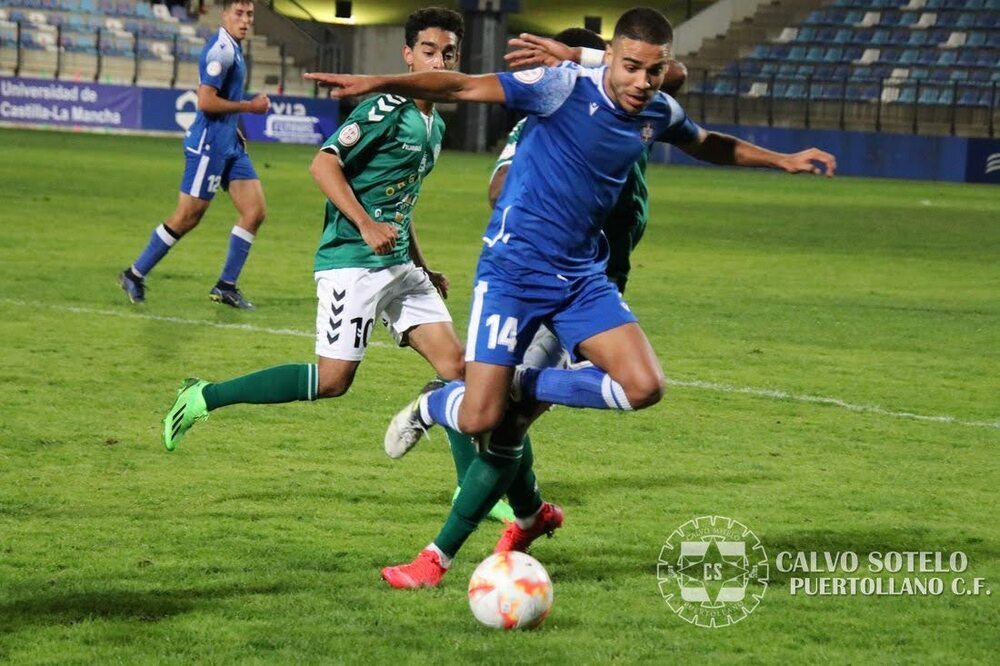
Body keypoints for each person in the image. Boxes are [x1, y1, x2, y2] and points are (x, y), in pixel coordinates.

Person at [307, 6, 836, 589]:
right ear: (609, 58)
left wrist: (780, 159)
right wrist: (376, 81)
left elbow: (706, 142)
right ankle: (444, 433)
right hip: (511, 273)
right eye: (630, 67)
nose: (642, 82)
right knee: (485, 418)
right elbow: (460, 85)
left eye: (653, 71)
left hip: (582, 278)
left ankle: (514, 457)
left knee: (643, 387)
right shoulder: (558, 87)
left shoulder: (655, 108)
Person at [160, 7, 489, 456]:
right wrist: (366, 224)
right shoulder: (385, 109)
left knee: (458, 370)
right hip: (352, 261)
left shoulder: (434, 125)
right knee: (333, 381)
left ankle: (469, 494)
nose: (439, 62)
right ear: (408, 55)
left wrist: (423, 267)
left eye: (448, 54)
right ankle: (202, 396)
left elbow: (400, 202)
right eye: (429, 51)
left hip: (399, 267)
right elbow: (324, 163)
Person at [118, 0, 270, 309]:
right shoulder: (220, 51)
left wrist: (235, 126)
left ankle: (225, 286)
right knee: (188, 216)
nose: (245, 20)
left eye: (249, 15)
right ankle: (134, 274)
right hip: (209, 146)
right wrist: (249, 108)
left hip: (229, 144)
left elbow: (221, 99)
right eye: (239, 14)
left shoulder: (234, 47)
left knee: (254, 211)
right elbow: (205, 102)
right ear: (224, 14)